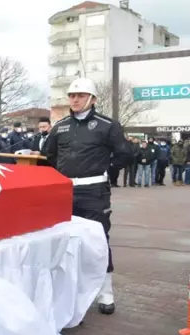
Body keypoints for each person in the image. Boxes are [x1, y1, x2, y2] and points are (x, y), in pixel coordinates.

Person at [45, 77, 132, 316]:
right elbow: (49, 155)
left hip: (94, 192)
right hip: (65, 192)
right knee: (66, 241)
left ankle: (106, 292)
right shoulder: (60, 126)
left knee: (99, 239)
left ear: (92, 99)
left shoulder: (108, 125)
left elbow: (125, 154)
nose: (75, 99)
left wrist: (105, 170)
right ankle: (70, 293)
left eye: (81, 95)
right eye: (72, 96)